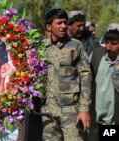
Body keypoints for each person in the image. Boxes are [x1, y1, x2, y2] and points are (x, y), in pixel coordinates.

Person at [41, 9, 92, 141]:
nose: (63, 26)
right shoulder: (40, 48)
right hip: (48, 113)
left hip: (72, 113)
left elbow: (86, 77)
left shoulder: (76, 46)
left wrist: (84, 110)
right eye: (59, 23)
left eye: (65, 23)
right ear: (48, 27)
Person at [88, 23, 119, 141]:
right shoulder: (96, 55)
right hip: (95, 119)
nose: (108, 47)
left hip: (112, 121)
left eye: (114, 44)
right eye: (107, 42)